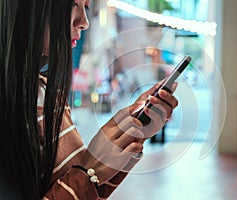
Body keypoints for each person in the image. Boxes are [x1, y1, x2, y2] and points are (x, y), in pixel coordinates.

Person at [0, 0, 179, 199]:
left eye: (86, 7)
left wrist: (132, 133)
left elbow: (86, 191)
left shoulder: (47, 92)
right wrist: (88, 172)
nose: (84, 22)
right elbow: (82, 181)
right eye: (70, 6)